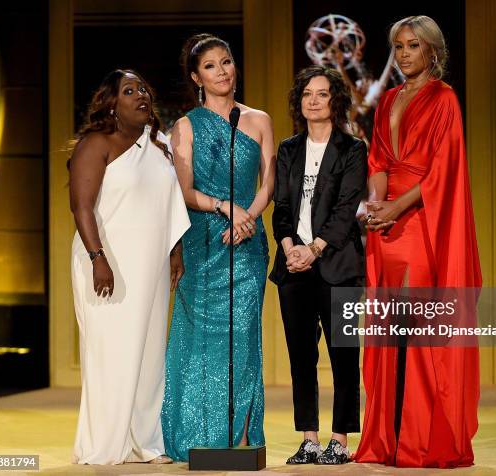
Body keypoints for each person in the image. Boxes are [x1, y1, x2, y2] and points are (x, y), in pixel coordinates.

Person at [353, 16, 483, 468]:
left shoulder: (445, 99)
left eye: (413, 46)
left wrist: (397, 207)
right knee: (389, 334)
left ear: (432, 51)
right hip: (385, 225)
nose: (405, 53)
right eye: (398, 46)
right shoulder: (388, 97)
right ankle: (387, 440)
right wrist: (374, 203)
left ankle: (422, 440)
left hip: (421, 220)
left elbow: (444, 169)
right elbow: (377, 159)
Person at [160, 34, 275, 461]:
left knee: (244, 337)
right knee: (201, 343)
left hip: (247, 244)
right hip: (204, 241)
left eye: (226, 61)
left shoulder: (259, 119)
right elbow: (185, 192)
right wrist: (225, 207)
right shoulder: (186, 126)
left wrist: (248, 216)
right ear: (196, 77)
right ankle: (200, 435)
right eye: (210, 66)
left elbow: (270, 181)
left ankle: (243, 440)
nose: (222, 71)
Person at [69, 69, 190, 465]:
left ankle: (145, 444)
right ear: (111, 102)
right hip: (107, 264)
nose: (141, 96)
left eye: (143, 90)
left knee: (149, 354)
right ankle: (105, 445)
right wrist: (97, 258)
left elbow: (169, 202)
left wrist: (174, 252)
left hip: (150, 266)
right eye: (129, 90)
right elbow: (81, 206)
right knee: (112, 353)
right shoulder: (96, 144)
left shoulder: (157, 145)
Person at [270, 65, 367, 465]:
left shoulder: (352, 148)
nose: (313, 100)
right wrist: (290, 246)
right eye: (307, 93)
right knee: (301, 357)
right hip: (295, 268)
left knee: (343, 354)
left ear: (335, 101)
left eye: (322, 93)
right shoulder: (289, 148)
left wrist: (315, 248)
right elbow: (282, 208)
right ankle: (309, 437)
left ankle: (339, 440)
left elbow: (346, 212)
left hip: (337, 265)